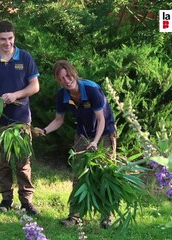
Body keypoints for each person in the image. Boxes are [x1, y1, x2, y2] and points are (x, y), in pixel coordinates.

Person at [34, 60, 116, 226]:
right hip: (82, 134)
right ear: (58, 80)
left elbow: (101, 120)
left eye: (69, 75)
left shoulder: (91, 89)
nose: (67, 80)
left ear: (74, 74)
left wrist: (94, 142)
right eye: (62, 78)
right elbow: (58, 120)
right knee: (79, 175)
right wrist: (44, 131)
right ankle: (75, 217)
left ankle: (107, 216)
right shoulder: (62, 95)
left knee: (105, 174)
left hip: (105, 132)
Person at [0, 20, 40, 215]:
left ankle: (27, 202)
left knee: (23, 162)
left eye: (10, 38)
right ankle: (6, 200)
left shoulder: (25, 58)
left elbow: (35, 86)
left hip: (21, 120)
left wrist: (16, 95)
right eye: (3, 39)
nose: (7, 43)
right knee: (3, 162)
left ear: (14, 37)